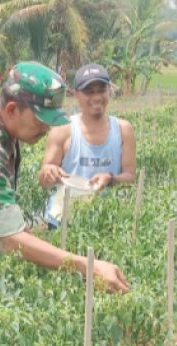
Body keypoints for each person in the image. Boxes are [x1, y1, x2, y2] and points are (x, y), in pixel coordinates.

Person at [0, 61, 130, 294]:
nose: (46, 128)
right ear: (11, 109)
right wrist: (89, 267)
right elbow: (10, 240)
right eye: (40, 120)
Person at [38, 63, 137, 227]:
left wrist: (110, 178)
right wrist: (48, 172)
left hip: (108, 221)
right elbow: (44, 179)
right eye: (89, 91)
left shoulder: (123, 130)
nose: (97, 97)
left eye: (101, 90)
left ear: (109, 91)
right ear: (76, 94)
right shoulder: (63, 130)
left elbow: (130, 176)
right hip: (64, 220)